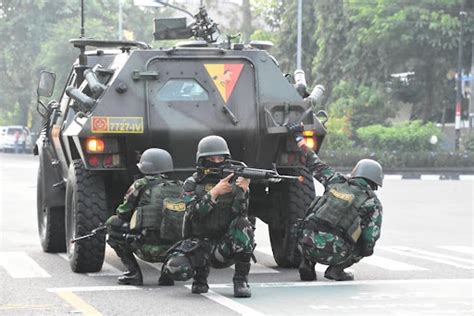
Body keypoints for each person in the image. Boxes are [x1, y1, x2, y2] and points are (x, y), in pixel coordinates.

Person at [161, 135, 255, 298]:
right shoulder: (192, 183)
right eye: (212, 158)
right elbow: (193, 213)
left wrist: (243, 191)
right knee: (175, 268)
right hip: (199, 244)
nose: (216, 161)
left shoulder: (234, 182)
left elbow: (240, 212)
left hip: (224, 245)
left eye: (220, 158)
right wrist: (215, 193)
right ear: (202, 160)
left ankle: (241, 280)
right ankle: (199, 278)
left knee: (244, 224)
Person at [295, 136, 383, 281]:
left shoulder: (334, 180)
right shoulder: (372, 203)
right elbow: (369, 239)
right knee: (365, 245)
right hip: (336, 253)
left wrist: (299, 138)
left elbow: (314, 162)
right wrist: (364, 248)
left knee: (310, 220)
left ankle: (307, 263)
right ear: (375, 183)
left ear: (356, 173)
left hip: (305, 244)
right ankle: (336, 270)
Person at [105, 148, 185, 286]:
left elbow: (123, 212)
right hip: (175, 250)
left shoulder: (141, 184)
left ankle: (133, 273)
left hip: (146, 248)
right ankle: (167, 274)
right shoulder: (180, 187)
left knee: (113, 223)